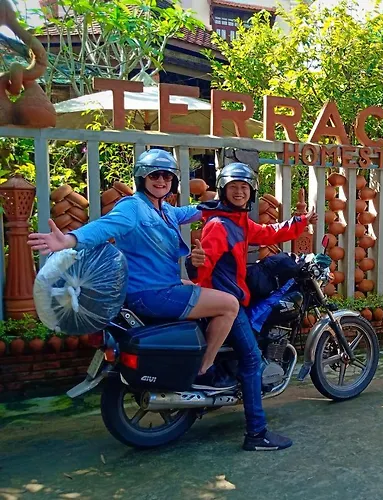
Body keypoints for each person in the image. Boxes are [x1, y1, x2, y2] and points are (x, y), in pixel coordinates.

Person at [28, 149, 240, 390]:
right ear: (142, 178)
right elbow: (104, 227)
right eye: (154, 175)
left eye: (167, 176)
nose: (161, 181)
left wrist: (225, 202)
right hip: (152, 294)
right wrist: (69, 240)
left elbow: (191, 211)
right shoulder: (133, 207)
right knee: (230, 305)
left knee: (195, 286)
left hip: (156, 287)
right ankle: (205, 369)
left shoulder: (164, 210)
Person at [187, 162, 317, 451]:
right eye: (233, 187)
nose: (239, 192)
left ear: (251, 192)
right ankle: (256, 434)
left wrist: (300, 221)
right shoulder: (219, 226)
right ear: (223, 190)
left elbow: (269, 233)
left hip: (233, 298)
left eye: (244, 187)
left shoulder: (239, 222)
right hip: (226, 302)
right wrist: (194, 264)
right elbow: (202, 269)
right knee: (252, 361)